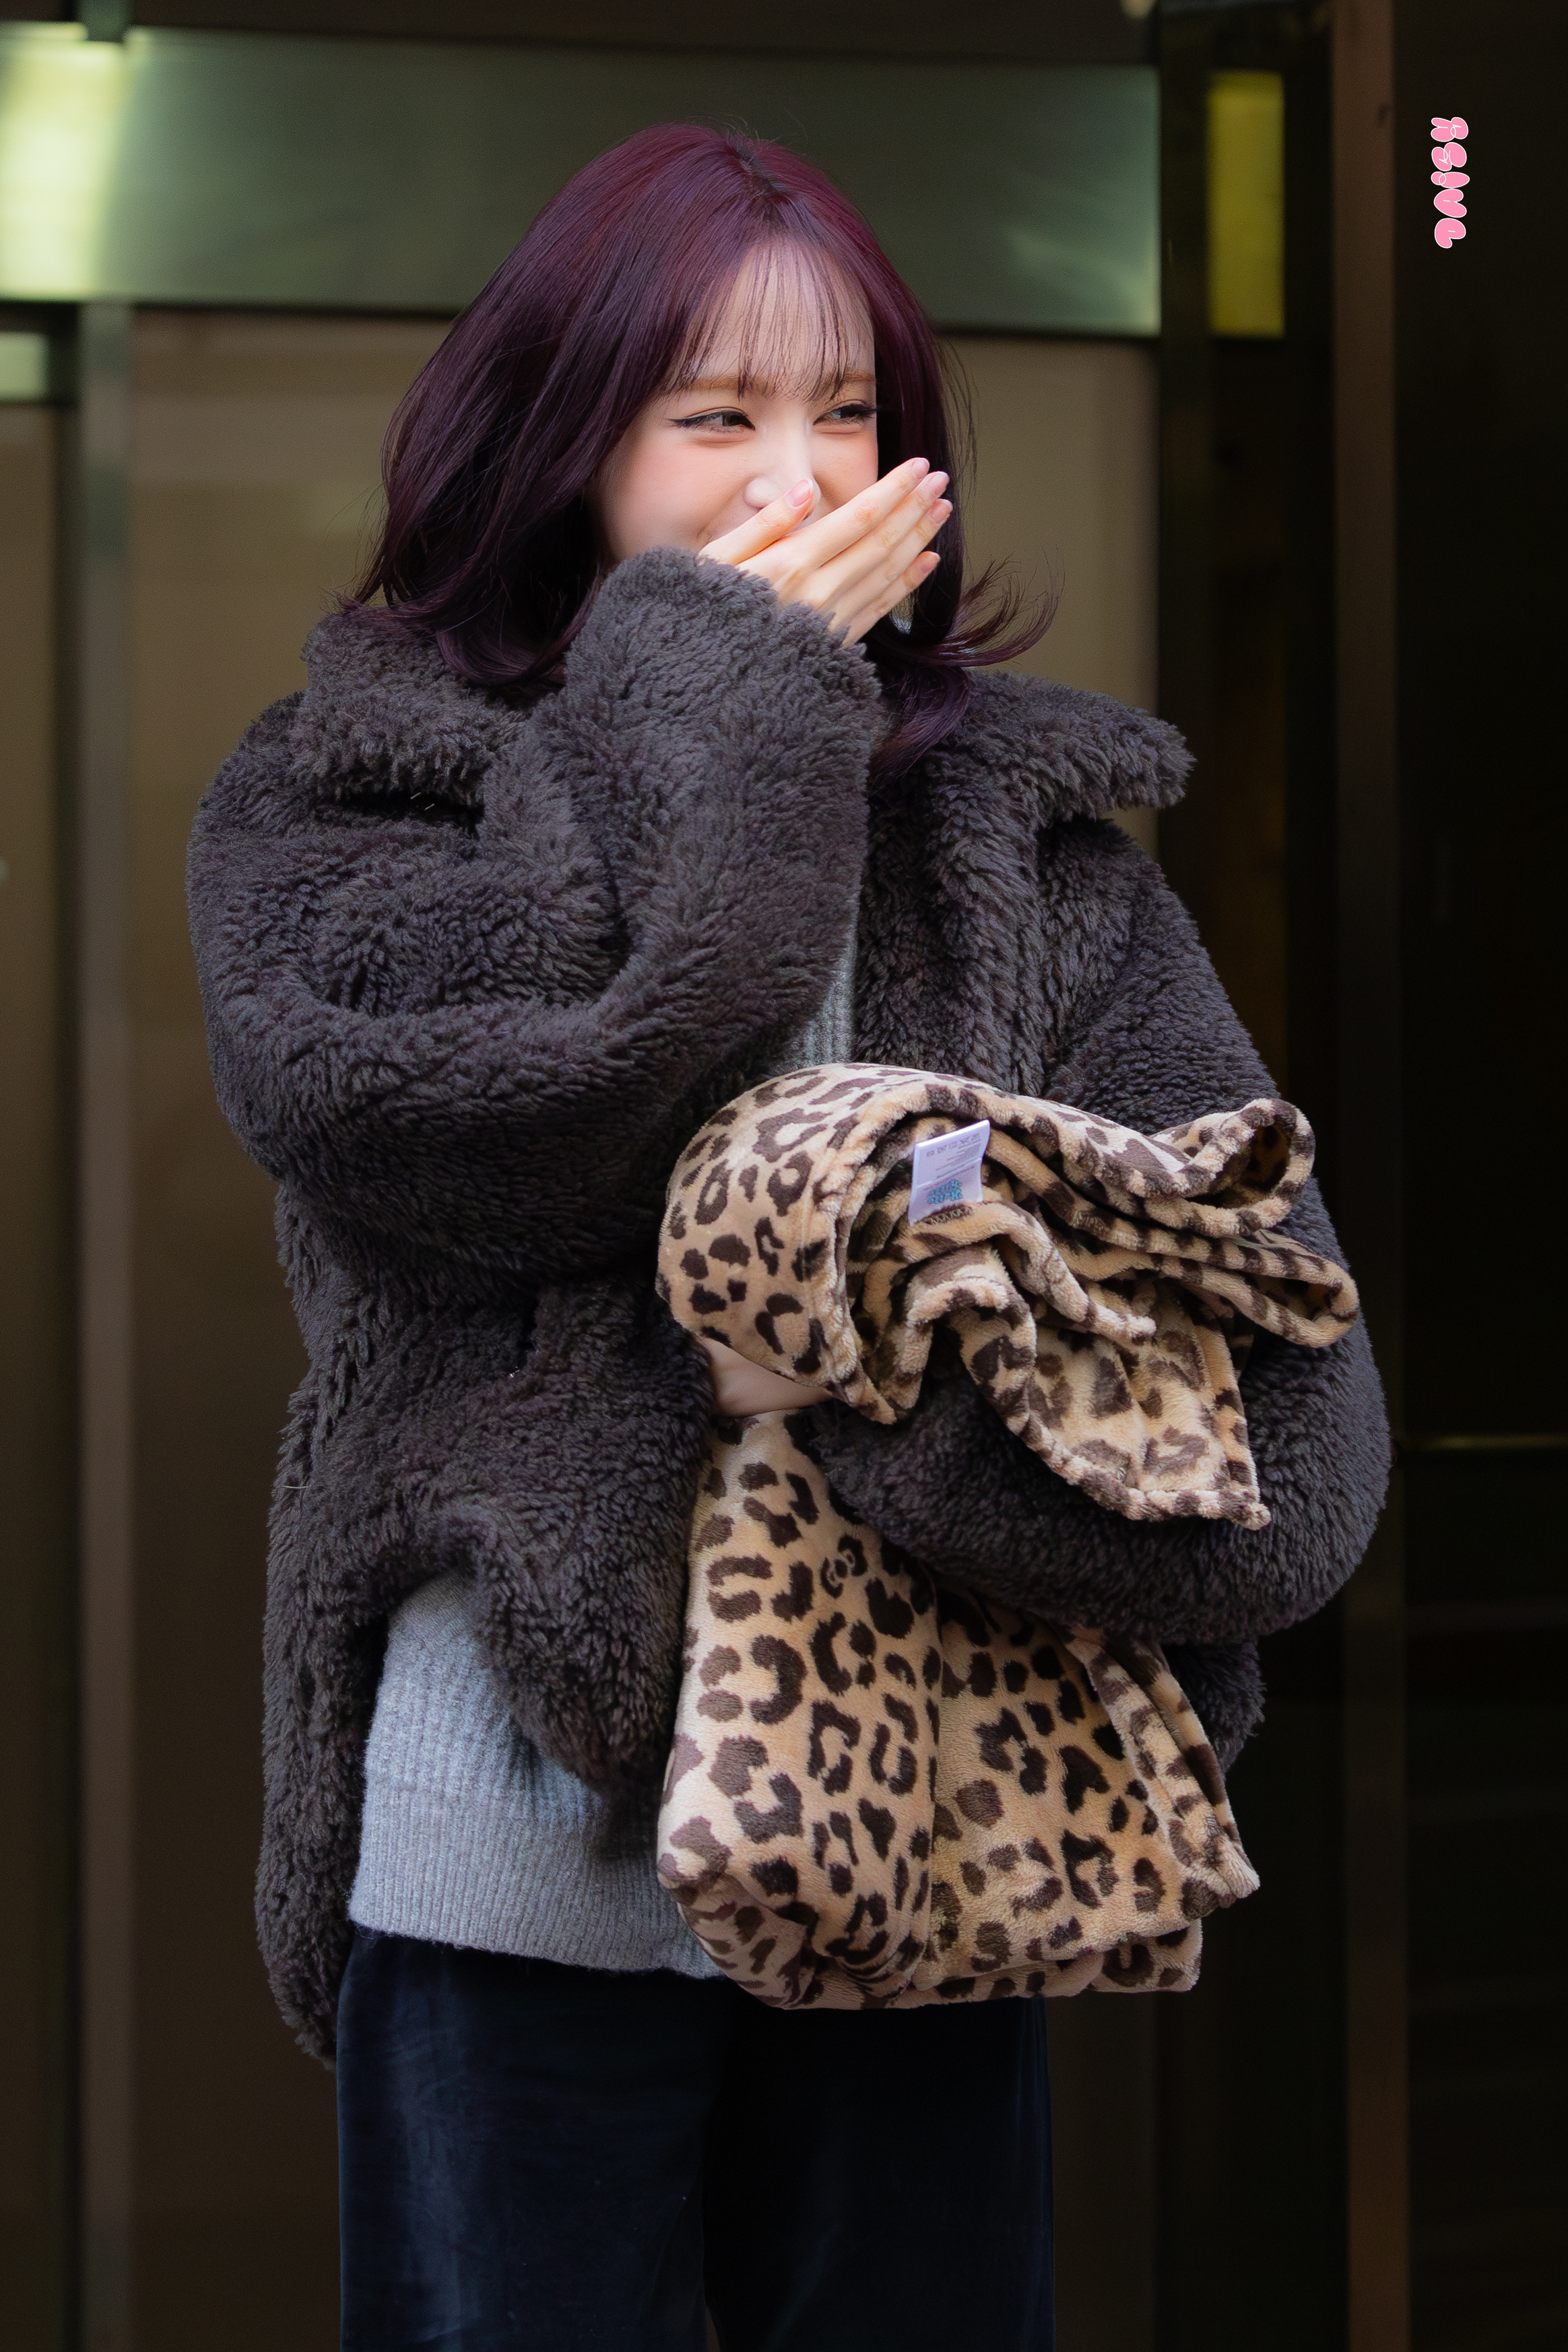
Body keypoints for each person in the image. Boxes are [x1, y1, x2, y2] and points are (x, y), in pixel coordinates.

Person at [187, 124, 1388, 2352]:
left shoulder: (1026, 843)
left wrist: (873, 1400)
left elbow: (1293, 1431)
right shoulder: (352, 798)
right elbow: (507, 1127)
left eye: (848, 408)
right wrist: (722, 700)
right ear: (565, 444)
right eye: (715, 412)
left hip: (935, 1841)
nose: (799, 470)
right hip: (513, 1851)